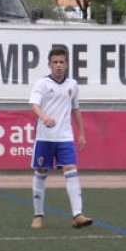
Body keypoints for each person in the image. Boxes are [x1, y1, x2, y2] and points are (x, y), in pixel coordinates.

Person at [29, 46, 92, 230]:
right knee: (41, 172)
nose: (58, 65)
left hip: (65, 137)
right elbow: (34, 105)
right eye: (55, 62)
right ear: (49, 64)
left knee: (71, 169)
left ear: (67, 64)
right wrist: (44, 117)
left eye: (61, 62)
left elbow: (75, 109)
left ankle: (78, 215)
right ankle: (38, 215)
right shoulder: (42, 83)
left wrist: (81, 133)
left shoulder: (72, 85)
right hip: (45, 137)